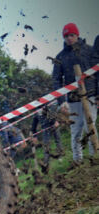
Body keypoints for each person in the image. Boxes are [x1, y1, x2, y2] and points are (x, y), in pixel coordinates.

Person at [52, 23, 98, 164]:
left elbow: (97, 72)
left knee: (90, 126)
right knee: (76, 130)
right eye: (66, 36)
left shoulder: (89, 50)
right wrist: (62, 102)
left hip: (90, 95)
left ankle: (95, 158)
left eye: (71, 35)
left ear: (77, 35)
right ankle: (78, 161)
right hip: (73, 99)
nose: (69, 38)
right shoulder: (60, 57)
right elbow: (56, 80)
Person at [30, 104, 63, 170]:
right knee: (46, 145)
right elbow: (34, 124)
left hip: (53, 124)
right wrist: (34, 135)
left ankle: (60, 155)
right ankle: (46, 162)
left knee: (57, 139)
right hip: (45, 128)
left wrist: (57, 121)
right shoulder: (36, 112)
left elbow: (55, 111)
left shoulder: (49, 105)